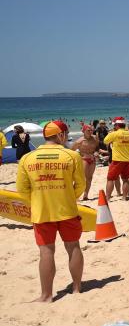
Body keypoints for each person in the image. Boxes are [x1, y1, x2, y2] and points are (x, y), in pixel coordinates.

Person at [16, 120, 86, 303]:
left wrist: (38, 200)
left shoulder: (27, 158)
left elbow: (22, 190)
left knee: (46, 252)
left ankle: (46, 295)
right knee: (73, 247)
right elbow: (80, 185)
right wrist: (69, 196)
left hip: (41, 212)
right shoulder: (71, 156)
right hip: (67, 210)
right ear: (61, 135)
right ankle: (77, 288)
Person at [103, 117, 129, 201]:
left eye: (114, 125)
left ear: (116, 125)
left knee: (110, 179)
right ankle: (124, 197)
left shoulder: (114, 134)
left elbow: (105, 141)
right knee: (125, 179)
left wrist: (112, 134)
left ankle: (107, 198)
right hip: (128, 160)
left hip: (117, 160)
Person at [71, 124, 99, 201]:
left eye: (91, 130)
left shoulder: (95, 138)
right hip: (83, 159)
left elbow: (97, 147)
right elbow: (71, 151)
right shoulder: (79, 141)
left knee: (89, 178)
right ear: (83, 131)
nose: (90, 132)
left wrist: (96, 152)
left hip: (92, 159)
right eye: (88, 130)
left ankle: (85, 196)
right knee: (81, 179)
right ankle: (74, 195)